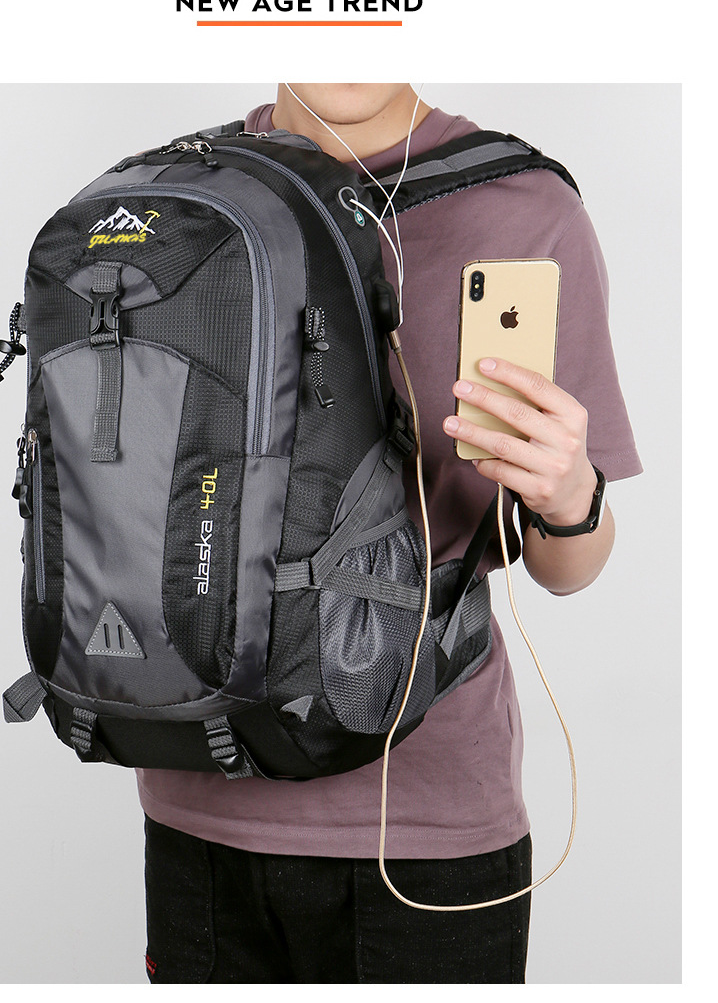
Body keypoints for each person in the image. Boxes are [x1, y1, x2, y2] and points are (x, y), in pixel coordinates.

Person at [137, 84, 642, 984]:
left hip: (423, 826)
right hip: (199, 805)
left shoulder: (521, 207)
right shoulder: (177, 198)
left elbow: (566, 568)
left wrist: (571, 493)